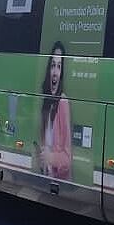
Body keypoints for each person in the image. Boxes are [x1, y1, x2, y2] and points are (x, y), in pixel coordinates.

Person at [40, 41, 72, 180]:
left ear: (61, 73)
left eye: (59, 67)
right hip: (45, 178)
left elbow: (67, 158)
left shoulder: (63, 102)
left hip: (58, 180)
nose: (55, 72)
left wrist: (50, 158)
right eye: (53, 65)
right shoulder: (46, 104)